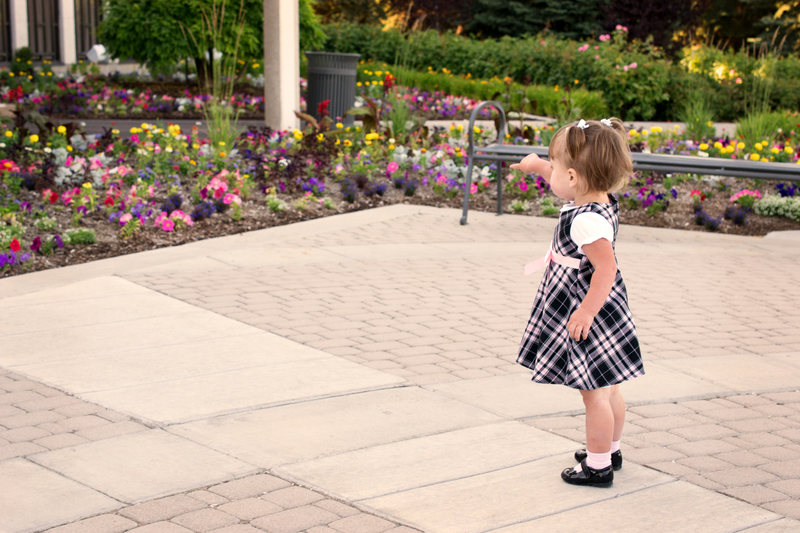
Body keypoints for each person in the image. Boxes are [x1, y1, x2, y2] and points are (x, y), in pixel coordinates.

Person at [511, 118, 644, 488]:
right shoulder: (597, 199)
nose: (548, 172)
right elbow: (561, 177)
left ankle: (598, 466)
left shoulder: (585, 221)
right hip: (606, 308)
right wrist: (535, 164)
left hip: (587, 308)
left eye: (553, 168)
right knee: (610, 387)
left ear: (572, 177)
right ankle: (611, 450)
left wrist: (585, 311)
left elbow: (606, 267)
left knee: (593, 394)